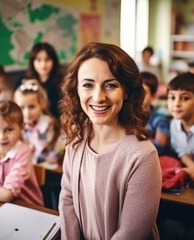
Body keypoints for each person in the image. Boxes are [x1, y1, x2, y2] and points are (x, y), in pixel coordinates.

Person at [58, 42, 162, 239]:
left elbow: (131, 232)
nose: (98, 97)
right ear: (76, 90)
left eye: (111, 85)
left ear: (127, 91)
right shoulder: (76, 139)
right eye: (88, 85)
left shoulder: (143, 155)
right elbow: (67, 200)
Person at [14, 79, 65, 164]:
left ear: (41, 103)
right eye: (22, 108)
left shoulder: (48, 124)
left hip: (47, 167)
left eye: (31, 107)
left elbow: (58, 146)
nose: (27, 113)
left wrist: (53, 156)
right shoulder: (19, 126)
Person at [14, 42, 64, 118]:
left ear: (53, 61)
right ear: (32, 61)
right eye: (39, 60)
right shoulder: (21, 82)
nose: (43, 64)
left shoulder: (62, 82)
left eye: (47, 59)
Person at [141, 71, 170, 155]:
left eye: (144, 92)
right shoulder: (127, 115)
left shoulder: (160, 119)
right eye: (136, 91)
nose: (138, 95)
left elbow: (160, 146)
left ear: (153, 97)